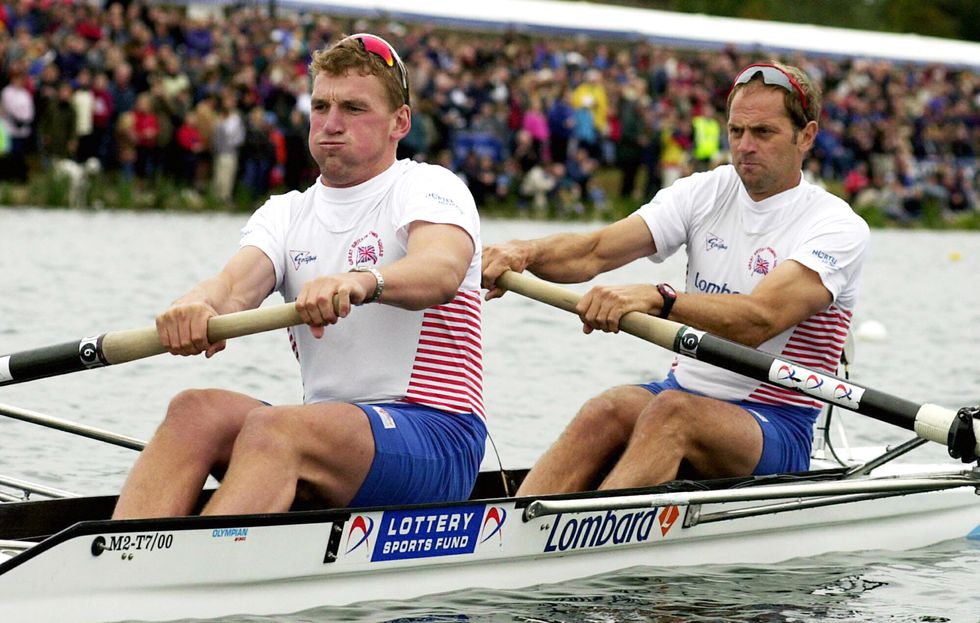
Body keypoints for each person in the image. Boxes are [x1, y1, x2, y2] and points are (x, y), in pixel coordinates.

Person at [113, 33, 486, 519]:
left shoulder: (428, 186)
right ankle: (124, 558)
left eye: (353, 108)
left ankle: (198, 570)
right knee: (194, 410)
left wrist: (360, 281)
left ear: (400, 122)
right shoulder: (287, 212)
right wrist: (195, 305)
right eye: (320, 106)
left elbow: (441, 270)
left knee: (275, 429)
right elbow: (231, 288)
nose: (331, 124)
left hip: (438, 435)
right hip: (330, 435)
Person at [482, 62, 869, 496]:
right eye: (736, 131)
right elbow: (594, 252)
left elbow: (759, 320)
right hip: (679, 394)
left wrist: (658, 299)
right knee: (606, 409)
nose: (745, 146)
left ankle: (586, 541)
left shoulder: (836, 226)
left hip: (773, 422)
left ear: (807, 136)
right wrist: (525, 252)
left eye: (763, 133)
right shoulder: (704, 192)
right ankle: (512, 531)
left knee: (673, 415)